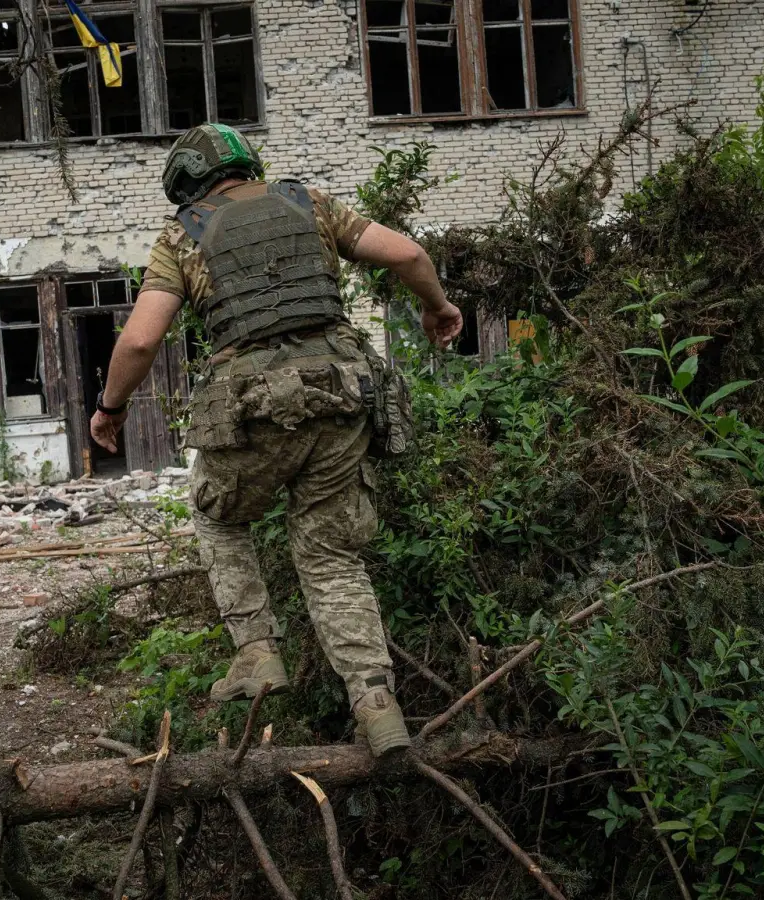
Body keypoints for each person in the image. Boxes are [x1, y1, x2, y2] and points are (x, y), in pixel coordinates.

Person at [90, 123, 463, 756]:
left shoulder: (183, 235)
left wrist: (110, 409)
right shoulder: (308, 203)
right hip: (345, 400)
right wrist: (437, 307)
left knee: (216, 516)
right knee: (330, 556)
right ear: (249, 162)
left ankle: (258, 652)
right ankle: (377, 705)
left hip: (254, 408)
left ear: (184, 185)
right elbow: (407, 256)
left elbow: (141, 339)